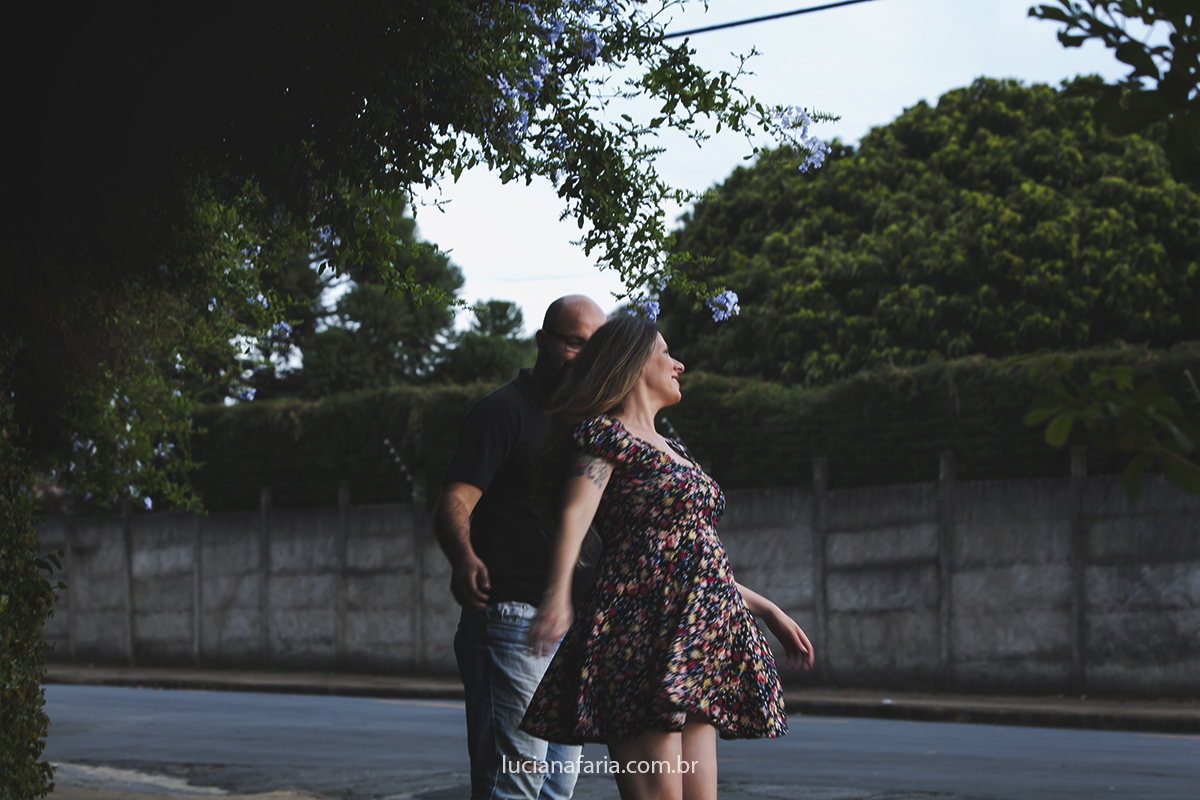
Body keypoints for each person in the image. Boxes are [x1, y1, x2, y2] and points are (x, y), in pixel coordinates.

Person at [521, 316, 814, 800]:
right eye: (665, 353)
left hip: (697, 643)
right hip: (641, 637)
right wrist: (556, 596)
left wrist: (767, 610)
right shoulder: (604, 435)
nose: (679, 364)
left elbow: (686, 558)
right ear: (634, 363)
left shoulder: (674, 449)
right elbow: (577, 512)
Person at [436, 295, 609, 800]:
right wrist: (462, 557)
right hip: (510, 619)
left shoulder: (586, 425)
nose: (583, 355)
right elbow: (454, 500)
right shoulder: (502, 411)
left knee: (557, 787)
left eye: (593, 346)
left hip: (567, 630)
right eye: (574, 342)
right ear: (543, 342)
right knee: (514, 784)